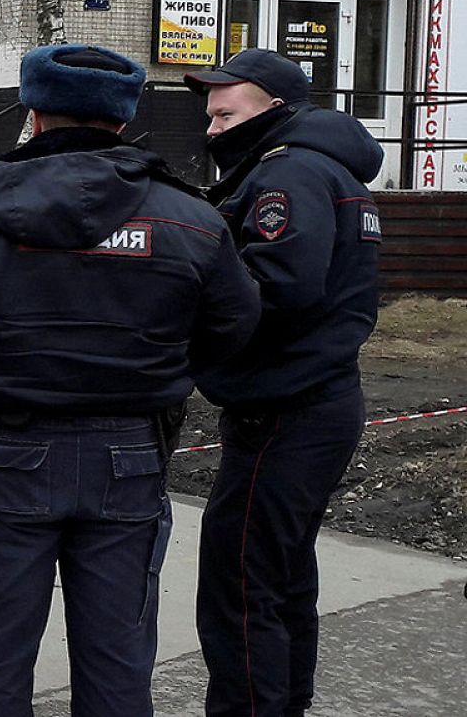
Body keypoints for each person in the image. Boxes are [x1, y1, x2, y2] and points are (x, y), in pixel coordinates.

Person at [0, 45, 261, 717]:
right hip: (129, 455)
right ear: (125, 116)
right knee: (117, 668)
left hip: (5, 452)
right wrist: (160, 372)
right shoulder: (191, 217)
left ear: (32, 111)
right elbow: (235, 325)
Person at [184, 48, 385, 717]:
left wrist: (185, 318)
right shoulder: (323, 168)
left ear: (275, 108)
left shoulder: (290, 173)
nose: (212, 130)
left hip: (284, 411)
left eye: (225, 114)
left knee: (240, 589)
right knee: (282, 581)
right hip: (314, 401)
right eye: (209, 117)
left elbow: (276, 288)